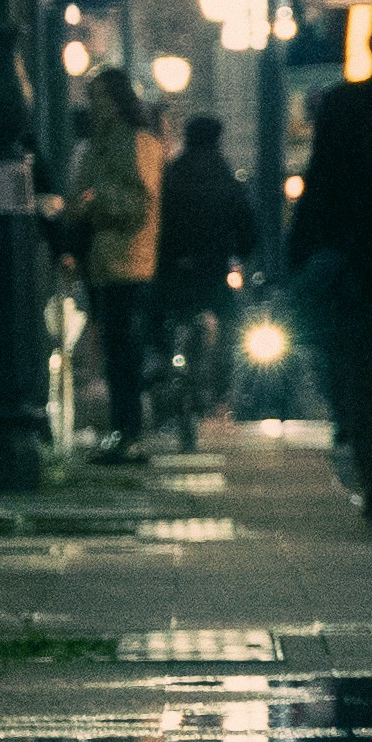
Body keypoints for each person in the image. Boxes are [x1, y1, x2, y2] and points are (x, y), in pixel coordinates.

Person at [290, 14, 372, 525]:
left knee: (364, 377)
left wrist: (301, 247)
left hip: (355, 259)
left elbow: (320, 182)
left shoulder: (343, 104)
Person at [60, 66, 163, 458]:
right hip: (108, 259)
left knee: (123, 349)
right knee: (117, 347)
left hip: (125, 259)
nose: (95, 106)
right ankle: (124, 430)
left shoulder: (131, 141)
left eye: (100, 97)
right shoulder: (107, 140)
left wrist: (92, 201)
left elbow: (136, 201)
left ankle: (129, 432)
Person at [155, 111, 256, 450]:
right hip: (213, 269)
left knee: (170, 323)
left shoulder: (175, 173)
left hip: (176, 269)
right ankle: (219, 390)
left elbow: (160, 219)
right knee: (227, 326)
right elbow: (246, 226)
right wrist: (239, 251)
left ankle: (167, 368)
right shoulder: (224, 175)